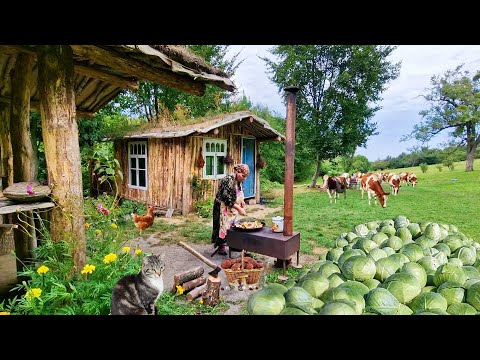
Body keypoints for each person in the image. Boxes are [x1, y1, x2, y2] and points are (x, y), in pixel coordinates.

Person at [211, 163, 250, 256]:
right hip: (222, 206)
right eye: (243, 176)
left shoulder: (239, 180)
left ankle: (233, 244)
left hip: (232, 207)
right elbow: (226, 198)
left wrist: (242, 201)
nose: (244, 178)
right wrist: (239, 209)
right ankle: (221, 246)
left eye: (246, 177)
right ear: (237, 172)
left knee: (233, 225)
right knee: (223, 226)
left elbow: (238, 191)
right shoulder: (228, 180)